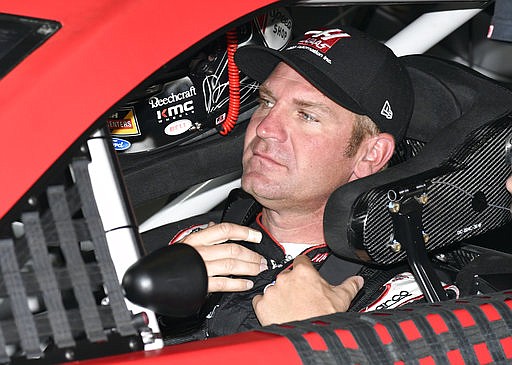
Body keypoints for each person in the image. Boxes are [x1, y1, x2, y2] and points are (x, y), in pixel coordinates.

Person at [147, 26, 414, 340]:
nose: (266, 128)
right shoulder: (191, 241)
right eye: (267, 102)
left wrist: (313, 346)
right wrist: (141, 308)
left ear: (370, 154)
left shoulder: (402, 298)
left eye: (306, 115)